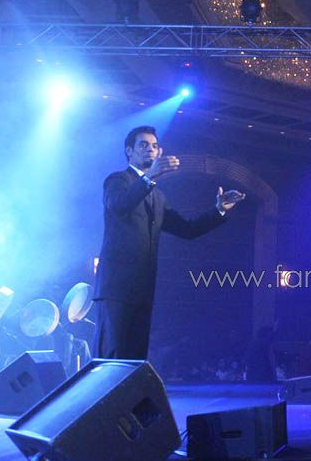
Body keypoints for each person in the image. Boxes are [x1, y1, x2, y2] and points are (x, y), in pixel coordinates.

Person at [93, 126, 244, 359]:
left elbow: (188, 229)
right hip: (117, 288)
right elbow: (119, 205)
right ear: (129, 151)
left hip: (143, 288)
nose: (150, 150)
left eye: (154, 146)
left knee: (134, 358)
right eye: (143, 145)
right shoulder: (118, 180)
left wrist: (219, 210)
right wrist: (149, 178)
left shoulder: (157, 196)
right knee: (112, 355)